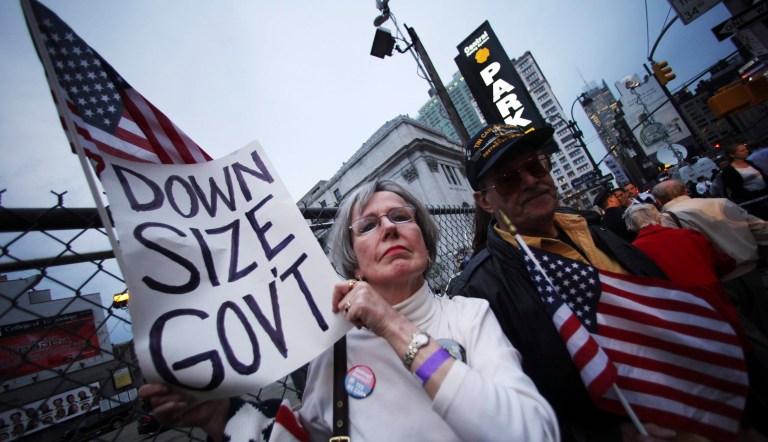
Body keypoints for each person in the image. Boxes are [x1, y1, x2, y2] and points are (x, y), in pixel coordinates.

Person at [139, 179, 559, 442]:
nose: (389, 226)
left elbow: (534, 433)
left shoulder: (470, 315)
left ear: (426, 245)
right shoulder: (333, 349)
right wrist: (216, 417)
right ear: (354, 263)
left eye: (400, 216)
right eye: (369, 226)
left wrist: (391, 324)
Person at [447, 123, 674, 441]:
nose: (529, 181)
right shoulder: (480, 293)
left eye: (534, 165)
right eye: (508, 179)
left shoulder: (595, 231)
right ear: (485, 201)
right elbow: (515, 416)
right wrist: (614, 436)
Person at [652, 179, 768, 345]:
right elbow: (758, 227)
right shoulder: (721, 202)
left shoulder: (669, 219)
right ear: (685, 191)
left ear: (658, 200)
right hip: (750, 269)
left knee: (747, 334)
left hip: (720, 281)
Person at [722, 143, 768, 219]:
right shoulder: (728, 171)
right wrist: (754, 196)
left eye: (746, 149)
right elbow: (737, 189)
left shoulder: (749, 163)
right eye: (742, 150)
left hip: (765, 193)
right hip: (755, 201)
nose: (746, 151)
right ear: (732, 155)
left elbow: (763, 175)